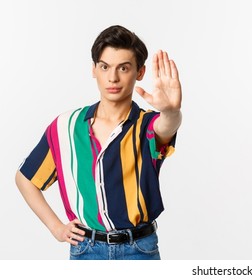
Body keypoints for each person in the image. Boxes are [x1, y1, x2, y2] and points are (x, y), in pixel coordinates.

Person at [14, 25, 182, 260]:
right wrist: (57, 228)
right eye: (105, 67)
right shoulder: (66, 126)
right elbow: (25, 179)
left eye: (124, 68)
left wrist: (172, 111)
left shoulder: (147, 125)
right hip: (87, 250)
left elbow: (167, 125)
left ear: (140, 72)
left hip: (139, 250)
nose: (113, 78)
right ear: (94, 69)